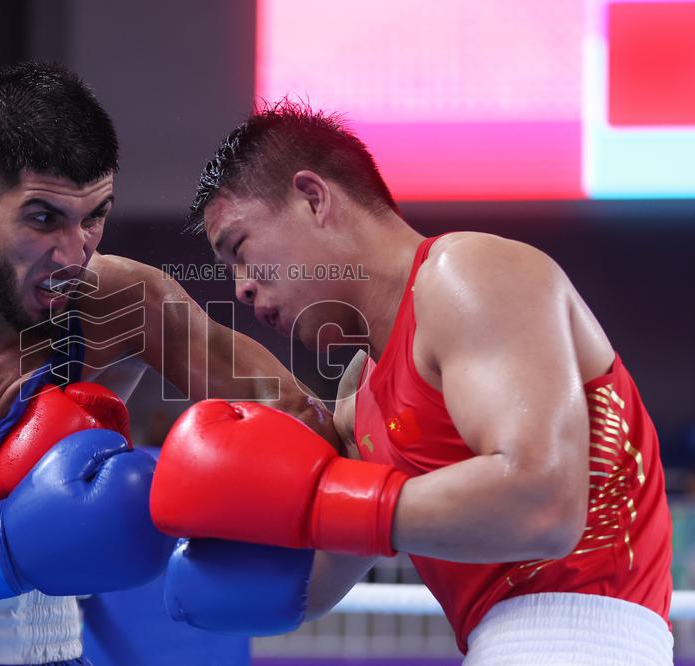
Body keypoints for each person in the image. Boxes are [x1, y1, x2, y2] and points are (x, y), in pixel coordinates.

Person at [0, 65, 347, 666]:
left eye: (94, 216)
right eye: (43, 218)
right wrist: (5, 547)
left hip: (50, 652)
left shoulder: (121, 304)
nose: (74, 253)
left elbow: (298, 417)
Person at [150, 102, 674, 664]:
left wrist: (318, 501)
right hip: (496, 647)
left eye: (240, 249)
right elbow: (324, 571)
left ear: (313, 198)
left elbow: (542, 502)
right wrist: (227, 563)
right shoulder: (358, 395)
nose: (241, 288)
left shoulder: (469, 272)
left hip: (593, 639)